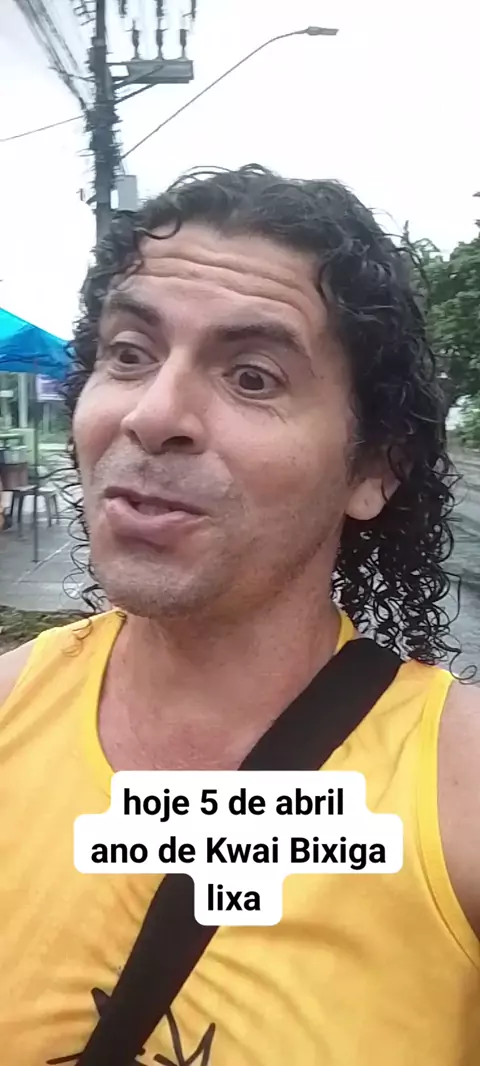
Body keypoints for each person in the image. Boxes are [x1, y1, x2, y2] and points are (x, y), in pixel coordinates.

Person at [1, 165, 479, 1066]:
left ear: (372, 471)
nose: (154, 415)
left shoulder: (458, 797)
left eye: (253, 378)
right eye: (129, 354)